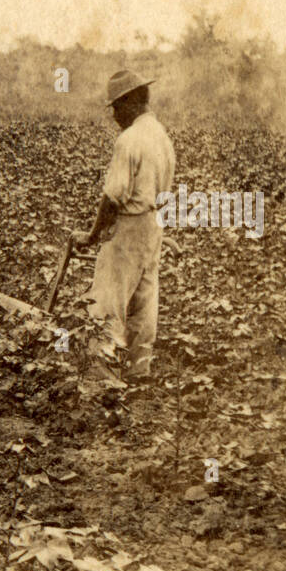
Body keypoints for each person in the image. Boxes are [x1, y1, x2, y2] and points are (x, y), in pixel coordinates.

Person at [72, 70, 176, 384]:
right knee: (144, 301)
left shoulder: (129, 140)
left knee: (107, 301)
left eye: (117, 107)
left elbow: (113, 198)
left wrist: (92, 236)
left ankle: (103, 379)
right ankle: (138, 373)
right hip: (153, 225)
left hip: (129, 227)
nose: (115, 116)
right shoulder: (162, 137)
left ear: (131, 102)